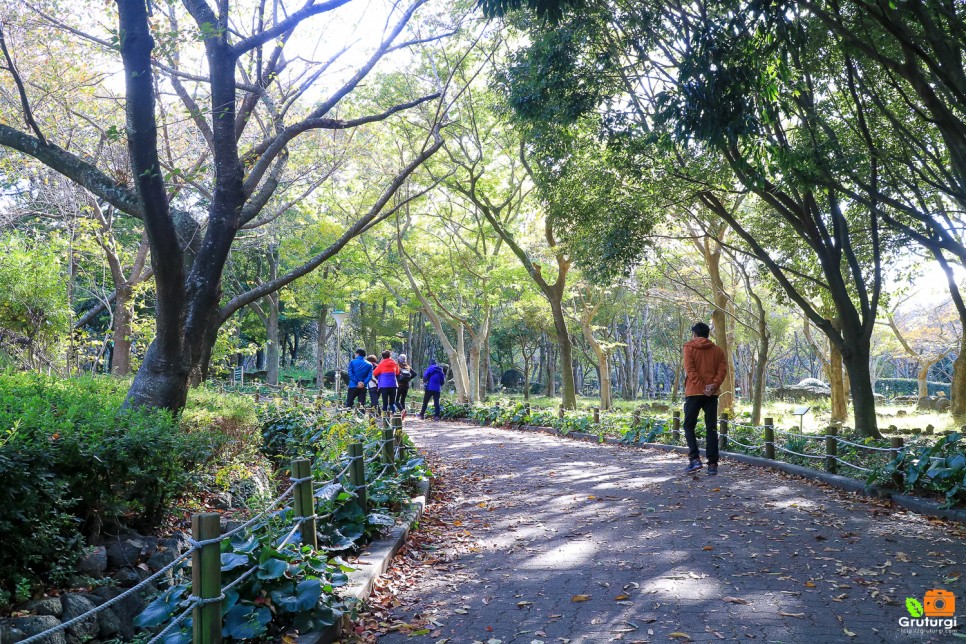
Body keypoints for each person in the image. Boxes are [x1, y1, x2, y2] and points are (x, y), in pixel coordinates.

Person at [682, 322, 727, 475]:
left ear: (694, 334)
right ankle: (713, 464)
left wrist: (702, 386)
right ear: (708, 334)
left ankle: (694, 459)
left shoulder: (689, 348)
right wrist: (712, 386)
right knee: (711, 427)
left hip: (694, 392)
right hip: (711, 394)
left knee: (689, 425)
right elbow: (722, 371)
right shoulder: (718, 351)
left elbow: (691, 370)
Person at [373, 349, 401, 414]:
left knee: (385, 402)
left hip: (384, 385)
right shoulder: (394, 363)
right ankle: (395, 415)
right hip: (393, 384)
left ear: (383, 357)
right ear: (390, 355)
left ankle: (385, 417)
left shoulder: (381, 364)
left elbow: (375, 373)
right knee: (392, 402)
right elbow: (397, 372)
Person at [397, 354, 415, 418]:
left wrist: (398, 379)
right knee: (402, 400)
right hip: (406, 385)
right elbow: (414, 373)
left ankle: (402, 410)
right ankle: (403, 415)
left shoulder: (398, 367)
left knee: (396, 401)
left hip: (400, 385)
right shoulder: (408, 367)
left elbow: (395, 374)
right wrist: (409, 379)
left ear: (399, 360)